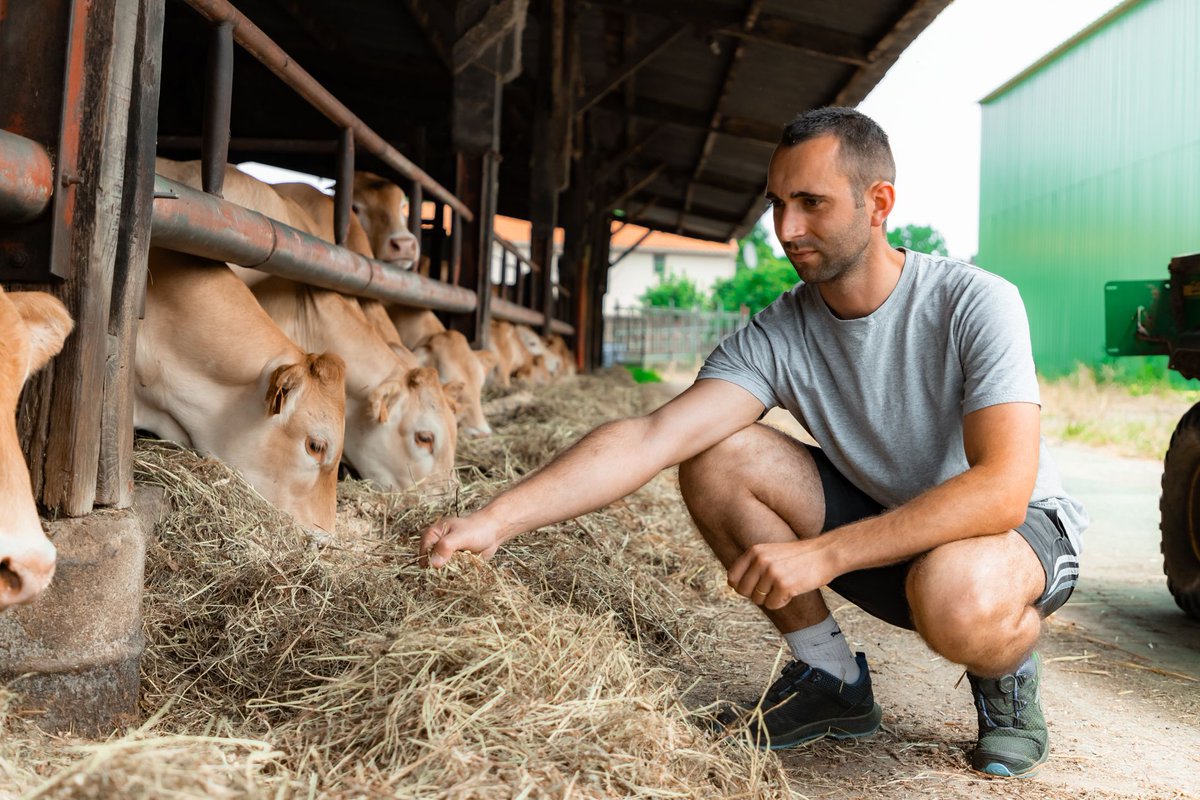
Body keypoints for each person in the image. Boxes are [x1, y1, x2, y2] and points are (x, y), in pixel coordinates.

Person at [419, 106, 1087, 778]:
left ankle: (1006, 674)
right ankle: (831, 679)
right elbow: (652, 436)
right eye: (778, 204)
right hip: (890, 529)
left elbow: (1002, 489)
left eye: (811, 203)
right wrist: (495, 519)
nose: (787, 230)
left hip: (1015, 534)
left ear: (878, 202)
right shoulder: (779, 332)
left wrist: (823, 554)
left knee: (959, 598)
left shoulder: (975, 302)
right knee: (716, 455)